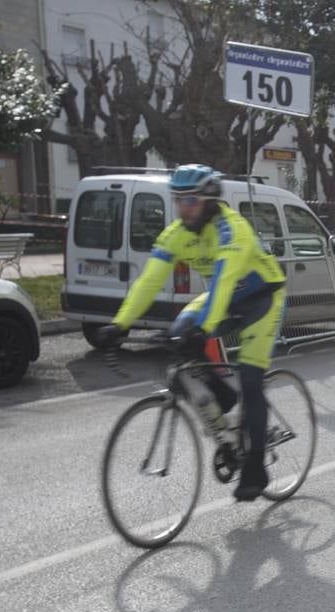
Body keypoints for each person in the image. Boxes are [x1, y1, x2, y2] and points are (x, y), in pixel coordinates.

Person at [95, 165, 286, 501]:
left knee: (252, 380)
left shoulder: (232, 230)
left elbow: (225, 280)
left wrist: (205, 329)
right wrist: (120, 323)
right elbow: (149, 280)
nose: (183, 208)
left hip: (261, 296)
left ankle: (256, 465)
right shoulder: (177, 233)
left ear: (210, 201)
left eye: (191, 200)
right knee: (177, 335)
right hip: (223, 298)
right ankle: (223, 398)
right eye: (178, 200)